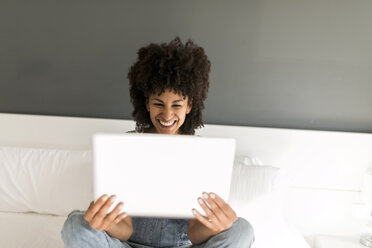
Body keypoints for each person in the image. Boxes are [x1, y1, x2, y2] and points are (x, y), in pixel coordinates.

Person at [61, 37, 255, 248]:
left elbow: (194, 234)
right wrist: (105, 222)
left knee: (241, 229)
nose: (167, 114)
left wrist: (216, 225)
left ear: (189, 106)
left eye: (177, 105)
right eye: (158, 104)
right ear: (147, 103)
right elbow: (125, 230)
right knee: (76, 224)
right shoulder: (125, 147)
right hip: (128, 245)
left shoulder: (200, 153)